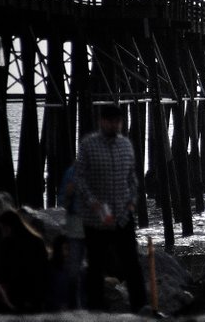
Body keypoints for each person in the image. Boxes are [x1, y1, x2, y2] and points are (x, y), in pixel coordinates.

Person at [74, 104, 146, 312]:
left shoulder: (126, 145)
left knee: (132, 263)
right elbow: (80, 179)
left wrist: (133, 200)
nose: (115, 125)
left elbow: (132, 177)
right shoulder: (88, 145)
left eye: (118, 122)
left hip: (123, 216)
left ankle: (140, 308)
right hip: (96, 219)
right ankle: (95, 310)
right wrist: (93, 202)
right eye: (111, 121)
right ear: (101, 121)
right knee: (96, 266)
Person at [0, 210, 48, 313]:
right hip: (28, 292)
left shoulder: (8, 244)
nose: (3, 232)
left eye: (4, 228)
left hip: (22, 292)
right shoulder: (36, 241)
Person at [59, 162, 85, 308]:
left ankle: (89, 303)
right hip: (76, 220)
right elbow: (63, 200)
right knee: (74, 265)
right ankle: (74, 305)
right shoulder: (72, 172)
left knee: (93, 266)